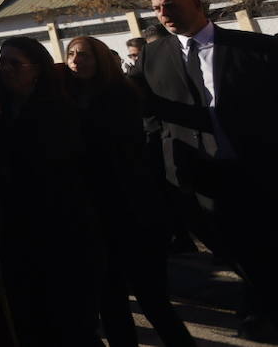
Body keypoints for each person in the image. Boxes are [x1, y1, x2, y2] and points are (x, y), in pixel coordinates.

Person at [136, 0, 278, 337]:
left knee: (266, 243)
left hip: (255, 168)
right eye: (156, 9)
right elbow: (147, 113)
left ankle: (267, 311)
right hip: (196, 175)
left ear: (197, 4)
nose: (164, 14)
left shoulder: (255, 49)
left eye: (170, 5)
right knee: (230, 247)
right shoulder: (152, 56)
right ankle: (262, 303)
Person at [64, 35, 194, 347]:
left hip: (132, 211)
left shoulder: (119, 95)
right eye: (71, 54)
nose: (76, 61)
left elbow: (113, 150)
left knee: (153, 300)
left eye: (84, 55)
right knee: (111, 304)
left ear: (101, 60)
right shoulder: (70, 97)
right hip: (97, 215)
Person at [0, 36, 100, 347]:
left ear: (37, 70)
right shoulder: (7, 105)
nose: (5, 69)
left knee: (70, 321)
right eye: (2, 62)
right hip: (25, 231)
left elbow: (38, 162)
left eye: (15, 63)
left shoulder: (56, 109)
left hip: (61, 227)